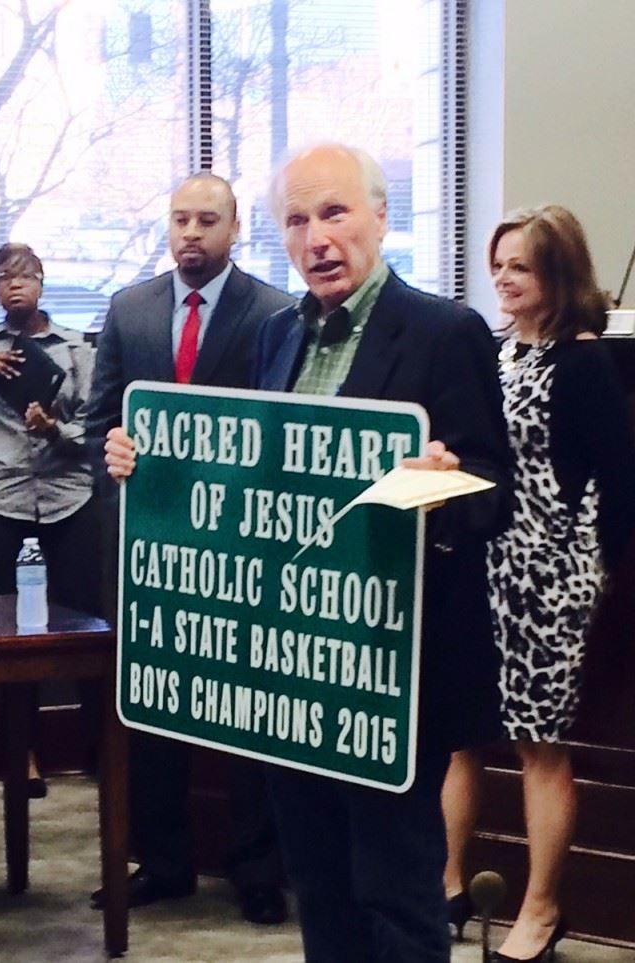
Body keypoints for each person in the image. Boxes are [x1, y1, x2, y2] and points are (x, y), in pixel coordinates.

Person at [105, 145, 512, 961]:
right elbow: (254, 479)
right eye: (297, 219)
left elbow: (494, 490)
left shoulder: (444, 331)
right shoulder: (276, 336)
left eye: (334, 213)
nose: (317, 237)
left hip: (391, 670)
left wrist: (441, 482)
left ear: (380, 217)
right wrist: (146, 466)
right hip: (293, 669)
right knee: (317, 885)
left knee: (394, 887)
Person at [87, 172, 294, 925]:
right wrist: (112, 463)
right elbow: (97, 422)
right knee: (154, 711)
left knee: (247, 715)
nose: (191, 233)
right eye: (180, 220)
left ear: (235, 229)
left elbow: (284, 434)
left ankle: (256, 867)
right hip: (150, 548)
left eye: (207, 220)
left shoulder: (275, 312)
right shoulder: (128, 308)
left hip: (240, 553)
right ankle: (163, 860)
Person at [441, 205, 635, 963]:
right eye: (498, 264)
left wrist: (593, 572)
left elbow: (616, 483)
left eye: (519, 265)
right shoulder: (489, 351)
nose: (503, 277)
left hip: (548, 578)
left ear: (558, 273)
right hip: (476, 563)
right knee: (458, 734)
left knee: (536, 743)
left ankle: (541, 909)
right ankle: (447, 884)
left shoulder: (583, 361)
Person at [0, 242, 101, 796]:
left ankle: (97, 745)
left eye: (24, 276)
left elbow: (91, 432)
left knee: (87, 625)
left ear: (42, 283)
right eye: (1, 277)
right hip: (2, 498)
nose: (13, 285)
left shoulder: (77, 349)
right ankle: (24, 754)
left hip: (69, 498)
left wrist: (52, 429)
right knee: (7, 632)